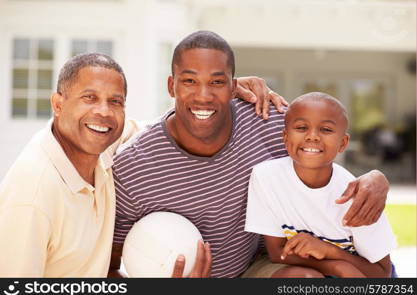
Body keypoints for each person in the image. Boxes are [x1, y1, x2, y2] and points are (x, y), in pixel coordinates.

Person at [109, 31, 390, 278]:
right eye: (190, 81)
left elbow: (321, 139)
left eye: (217, 82)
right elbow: (110, 267)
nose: (203, 96)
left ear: (234, 86)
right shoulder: (134, 168)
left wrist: (376, 178)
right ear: (172, 86)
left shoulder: (265, 119)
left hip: (262, 265)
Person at [0, 52, 282, 277]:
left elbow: (181, 128)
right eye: (89, 98)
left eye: (115, 101)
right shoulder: (32, 197)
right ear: (58, 104)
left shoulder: (103, 143)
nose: (103, 112)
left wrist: (216, 92)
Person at [245, 92, 397, 278]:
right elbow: (278, 253)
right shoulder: (266, 177)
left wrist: (331, 252)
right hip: (315, 270)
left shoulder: (358, 198)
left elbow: (382, 273)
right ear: (285, 137)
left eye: (325, 129)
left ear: (343, 143)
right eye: (301, 127)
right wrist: (335, 267)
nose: (313, 136)